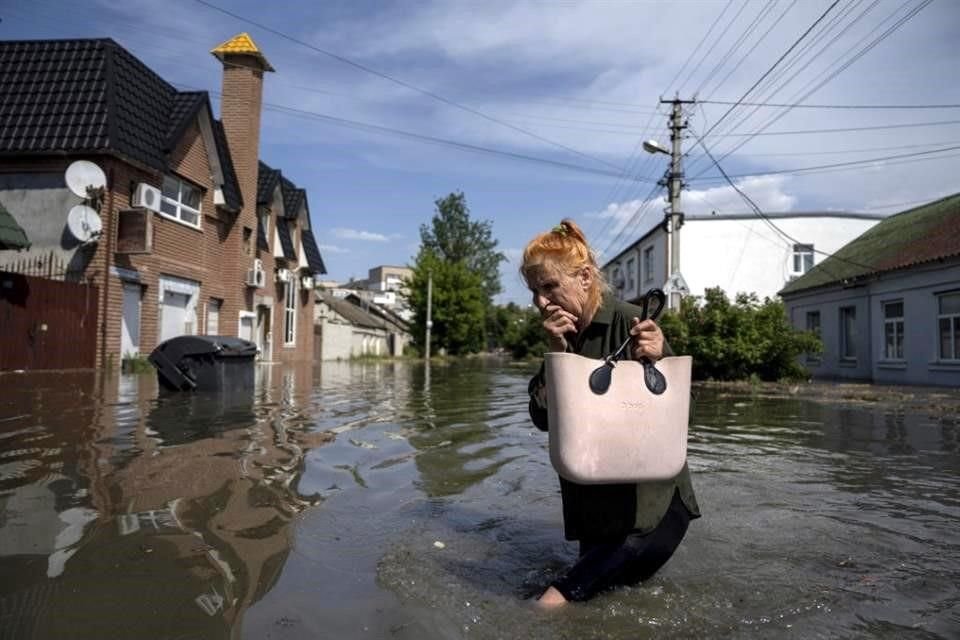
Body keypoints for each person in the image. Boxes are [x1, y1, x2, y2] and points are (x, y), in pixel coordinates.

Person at [521, 219, 700, 608]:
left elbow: (686, 417)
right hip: (596, 514)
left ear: (585, 277)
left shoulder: (629, 320)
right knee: (610, 608)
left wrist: (661, 355)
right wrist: (556, 352)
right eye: (534, 291)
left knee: (549, 604)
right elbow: (542, 419)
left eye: (549, 287)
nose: (540, 301)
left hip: (649, 513)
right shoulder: (563, 333)